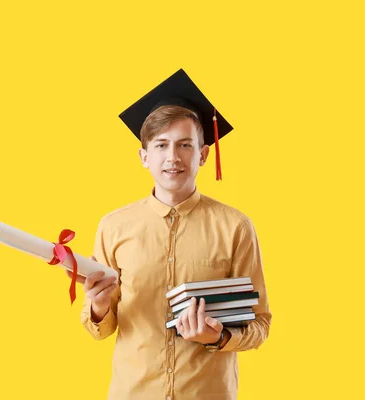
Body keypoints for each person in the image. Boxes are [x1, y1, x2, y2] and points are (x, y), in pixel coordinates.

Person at [65, 69, 271, 400]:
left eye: (185, 145)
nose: (172, 157)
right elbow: (99, 329)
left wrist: (217, 338)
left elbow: (260, 326)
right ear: (144, 157)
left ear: (203, 154)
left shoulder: (236, 227)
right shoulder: (113, 227)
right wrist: (100, 306)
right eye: (161, 145)